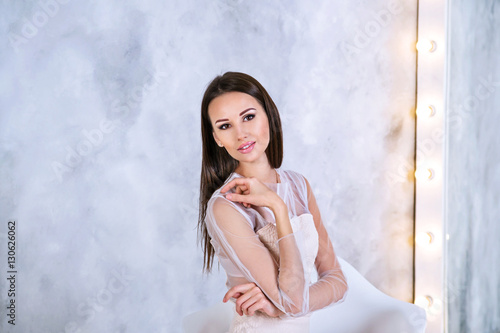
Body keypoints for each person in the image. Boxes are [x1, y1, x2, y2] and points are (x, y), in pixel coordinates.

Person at [195, 72, 426, 333]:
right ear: (216, 138)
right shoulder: (225, 207)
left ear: (268, 115)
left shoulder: (298, 186)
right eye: (225, 126)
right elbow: (293, 300)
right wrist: (280, 212)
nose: (241, 134)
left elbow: (338, 283)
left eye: (248, 117)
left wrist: (281, 305)